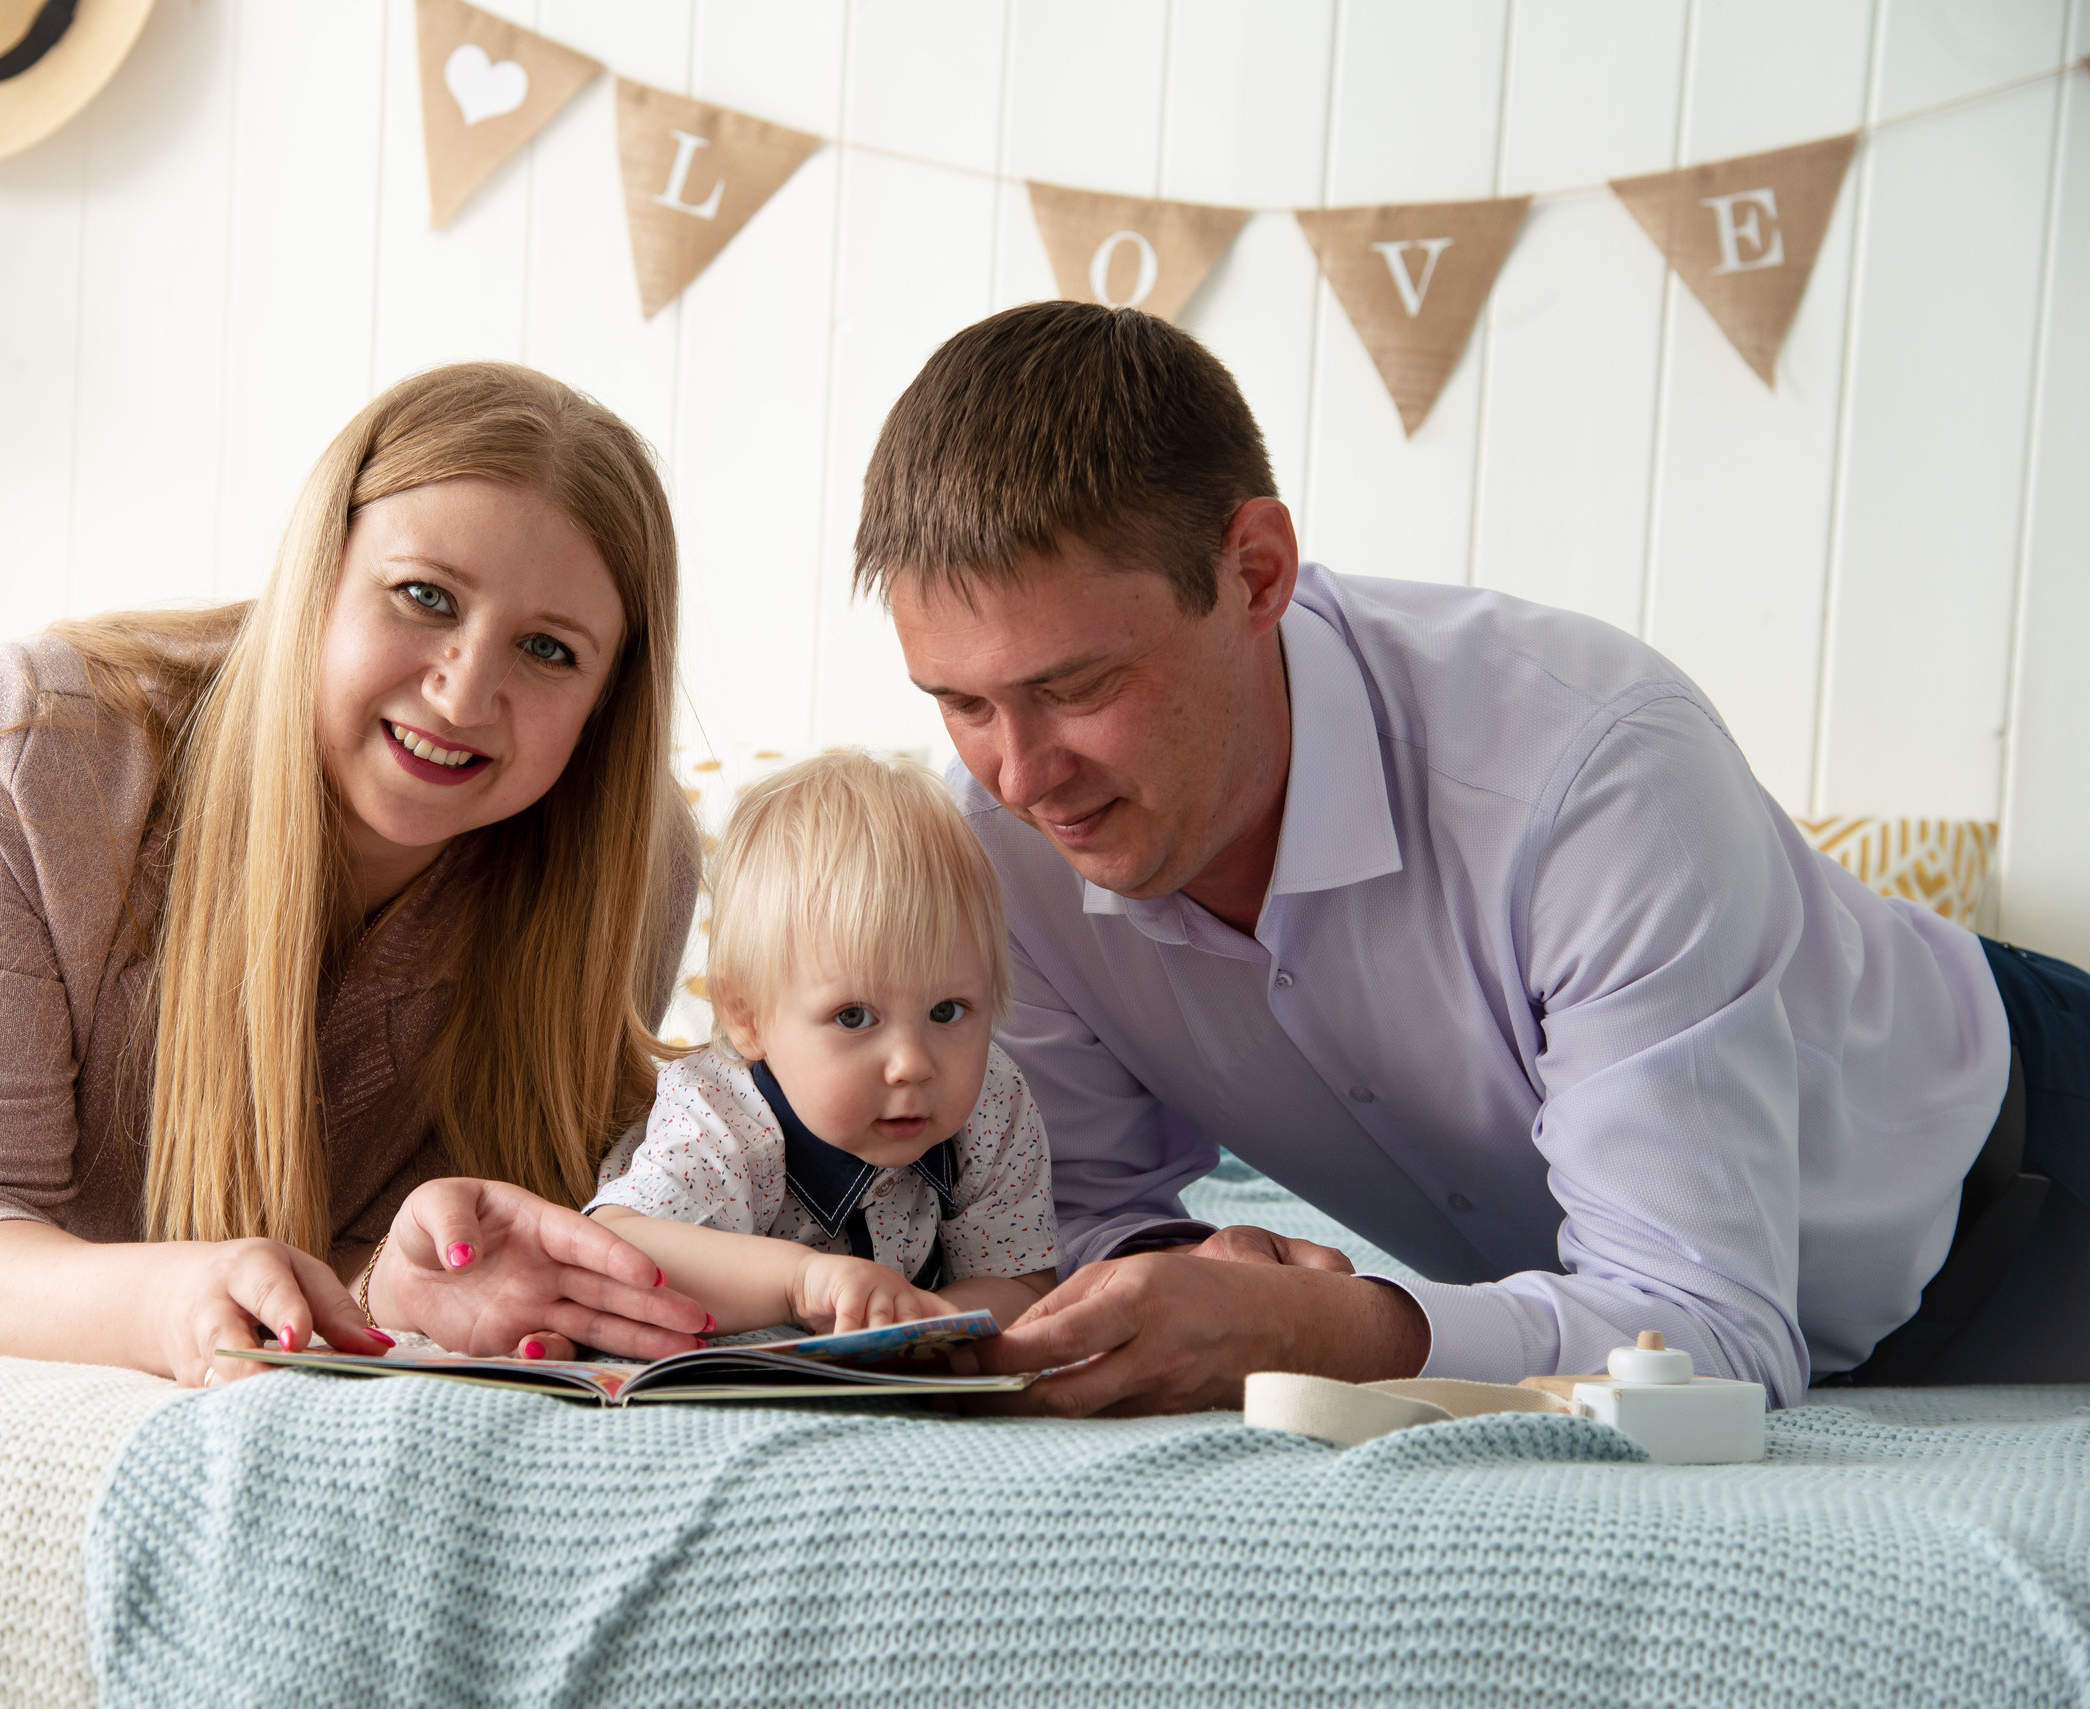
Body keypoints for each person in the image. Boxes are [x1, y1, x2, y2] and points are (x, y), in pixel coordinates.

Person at [853, 300, 2090, 1417]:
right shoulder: (993, 851)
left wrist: (1326, 1330)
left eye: (1074, 686)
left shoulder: (1593, 772)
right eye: (960, 703)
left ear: (1255, 573)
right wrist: (1165, 1288)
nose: (1018, 772)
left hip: (2026, 1165)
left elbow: (1709, 1330)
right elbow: (1083, 1213)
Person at [0, 362, 715, 1385]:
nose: (463, 690)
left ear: (607, 697)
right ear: (319, 572)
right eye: (423, 595)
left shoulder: (631, 864)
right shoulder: (46, 732)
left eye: (547, 648)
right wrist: (173, 1305)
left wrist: (390, 1291)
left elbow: (388, 1251)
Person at [587, 752, 1059, 1334]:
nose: (912, 1065)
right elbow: (616, 1247)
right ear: (748, 1017)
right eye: (854, 1017)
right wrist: (799, 1283)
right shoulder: (722, 1114)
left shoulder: (993, 1102)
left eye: (946, 1011)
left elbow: (1022, 1280)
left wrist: (929, 1321)